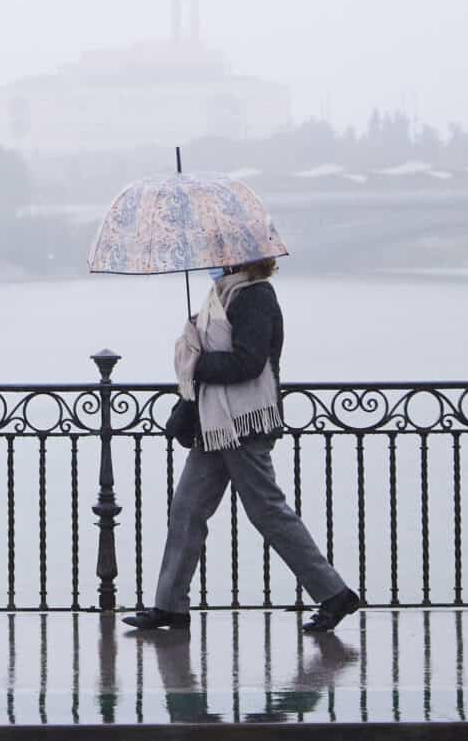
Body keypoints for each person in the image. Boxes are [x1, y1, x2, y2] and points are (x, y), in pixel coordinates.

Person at [123, 256, 363, 634]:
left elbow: (247, 363)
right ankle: (170, 605)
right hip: (215, 425)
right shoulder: (220, 298)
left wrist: (196, 364)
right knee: (187, 510)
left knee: (267, 510)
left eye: (221, 257)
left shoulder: (255, 297)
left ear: (242, 261)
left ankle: (335, 594)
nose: (214, 263)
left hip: (245, 424)